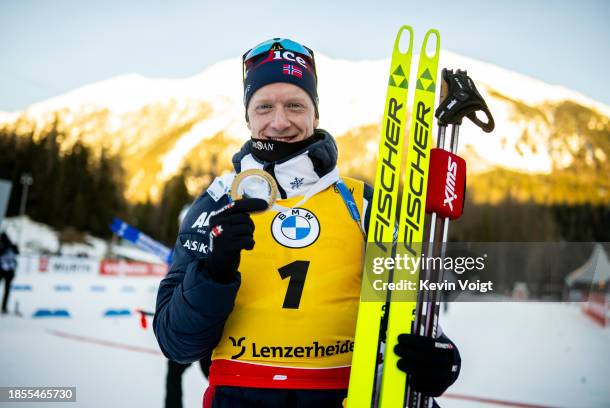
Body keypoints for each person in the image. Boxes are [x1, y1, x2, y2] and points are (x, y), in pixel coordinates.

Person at [154, 38, 460, 407]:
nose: (279, 122)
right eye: (264, 106)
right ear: (248, 116)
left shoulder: (361, 205)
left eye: (295, 105)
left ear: (315, 115)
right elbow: (177, 344)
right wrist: (212, 274)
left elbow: (412, 318)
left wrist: (439, 358)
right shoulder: (217, 202)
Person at [0, 232, 19, 314]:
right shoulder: (4, 246)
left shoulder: (11, 246)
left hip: (8, 272)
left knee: (7, 290)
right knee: (7, 291)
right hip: (2, 271)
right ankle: (4, 308)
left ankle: (4, 308)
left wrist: (12, 246)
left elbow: (17, 252)